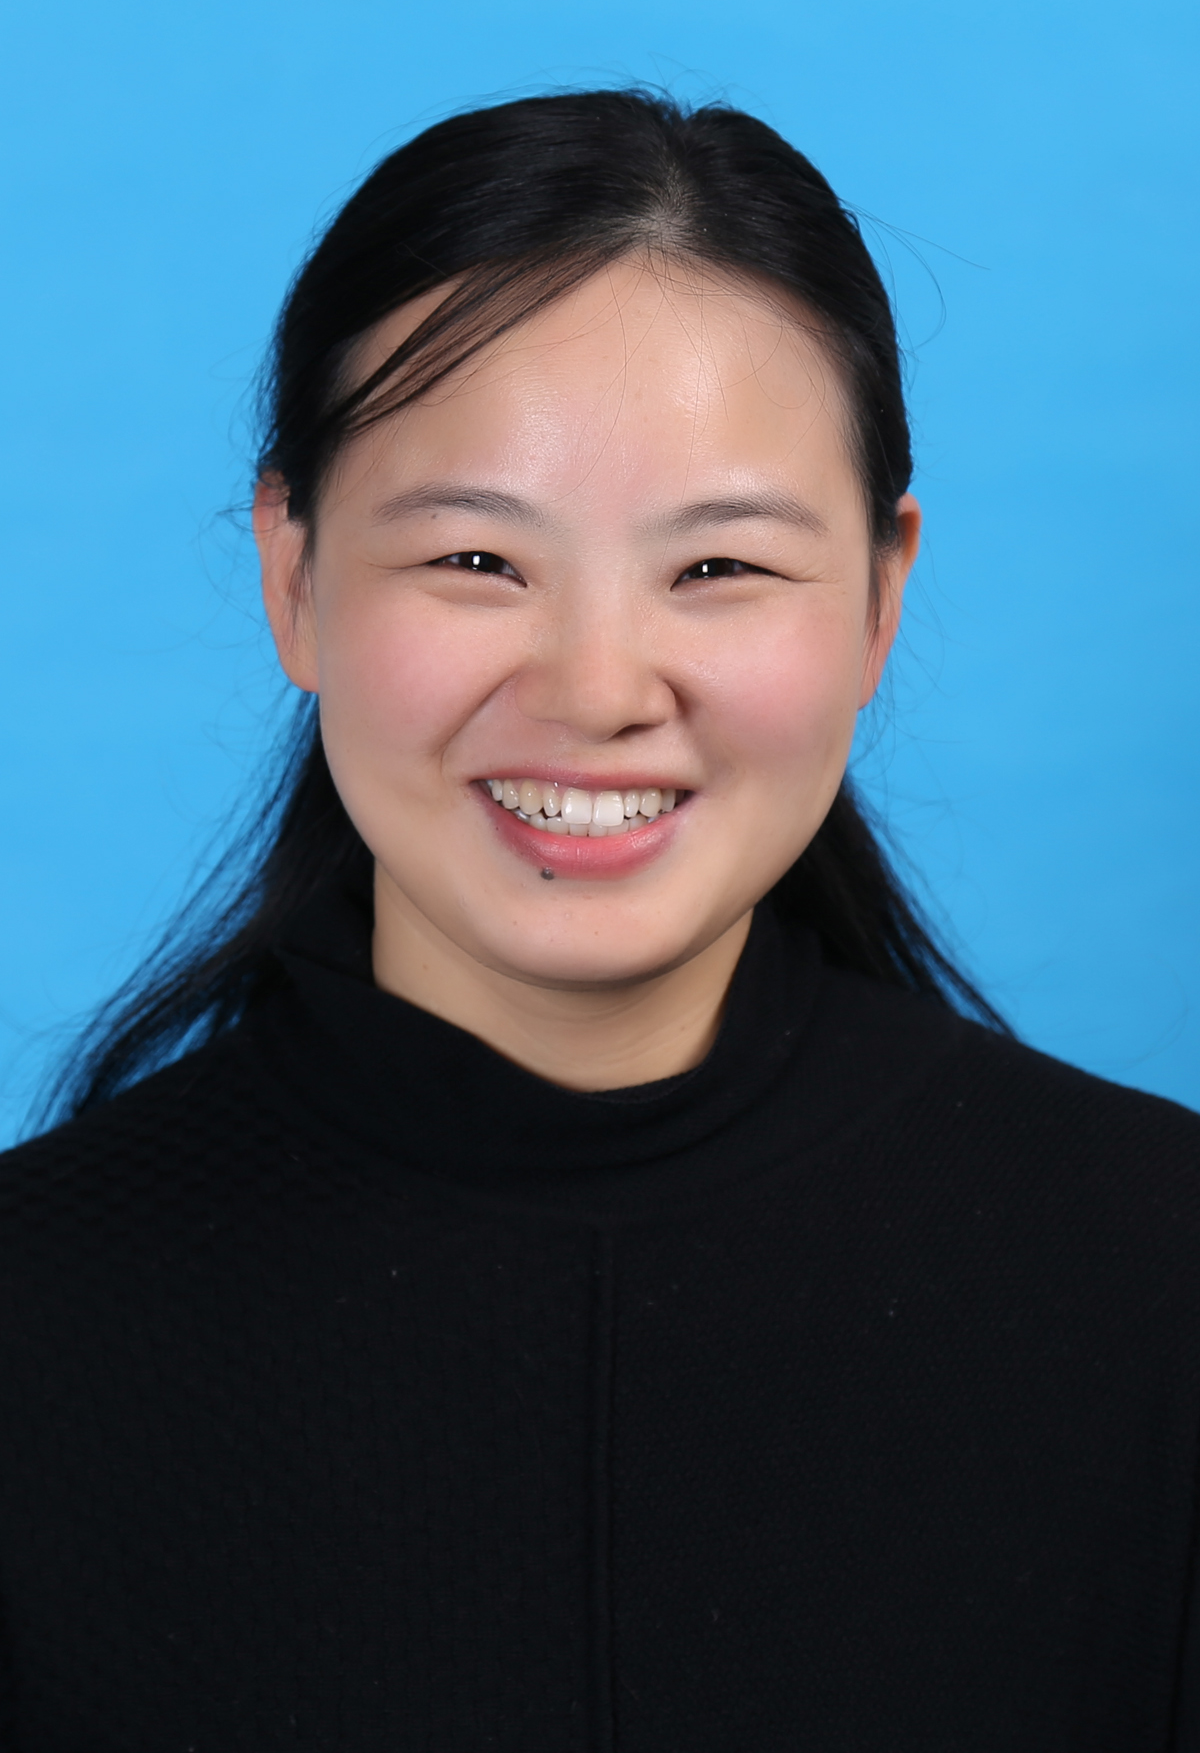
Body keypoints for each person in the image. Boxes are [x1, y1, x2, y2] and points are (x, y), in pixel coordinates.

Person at [1, 89, 1197, 1751]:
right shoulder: (38, 1315)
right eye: (478, 560)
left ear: (881, 596)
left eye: (718, 570)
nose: (596, 689)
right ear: (293, 575)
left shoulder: (1158, 1277)